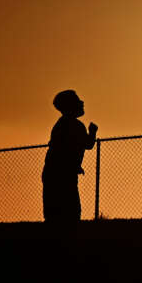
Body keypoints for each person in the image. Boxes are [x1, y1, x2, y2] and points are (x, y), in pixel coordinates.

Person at [42, 89, 98, 223]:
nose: (82, 102)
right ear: (70, 106)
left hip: (54, 174)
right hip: (62, 176)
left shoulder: (61, 125)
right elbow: (88, 144)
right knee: (71, 213)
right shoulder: (75, 125)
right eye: (78, 100)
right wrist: (93, 132)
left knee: (55, 215)